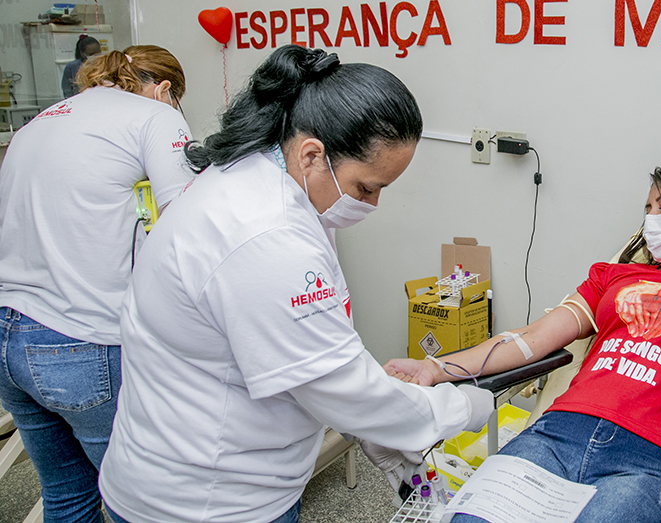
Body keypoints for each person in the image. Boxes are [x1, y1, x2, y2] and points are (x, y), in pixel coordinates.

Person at [97, 45, 493, 523]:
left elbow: (312, 348)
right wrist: (458, 406)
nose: (372, 203)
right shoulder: (266, 233)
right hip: (205, 500)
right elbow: (337, 385)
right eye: (367, 187)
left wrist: (373, 418)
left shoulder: (267, 179)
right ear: (312, 154)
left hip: (193, 469)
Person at [385, 166, 661, 523]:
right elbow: (530, 340)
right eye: (648, 208)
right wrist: (436, 368)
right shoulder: (613, 277)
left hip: (652, 460)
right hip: (554, 436)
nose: (651, 219)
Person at [0, 45, 191, 523]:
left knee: (67, 494)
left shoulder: (39, 122)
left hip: (8, 337)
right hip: (81, 341)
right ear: (164, 90)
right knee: (142, 501)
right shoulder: (154, 116)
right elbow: (189, 229)